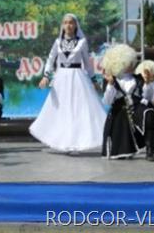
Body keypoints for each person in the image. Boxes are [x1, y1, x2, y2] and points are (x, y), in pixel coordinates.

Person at [29, 13, 106, 153]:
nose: (68, 25)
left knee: (76, 110)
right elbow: (51, 59)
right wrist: (46, 76)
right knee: (60, 109)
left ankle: (74, 142)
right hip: (61, 79)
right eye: (65, 22)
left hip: (77, 78)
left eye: (71, 22)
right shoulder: (58, 42)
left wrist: (94, 80)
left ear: (76, 25)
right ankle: (60, 141)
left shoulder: (82, 42)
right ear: (62, 26)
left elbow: (87, 63)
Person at [101, 44, 154, 161]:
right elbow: (107, 101)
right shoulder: (111, 79)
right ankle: (124, 149)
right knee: (122, 154)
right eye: (129, 62)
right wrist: (111, 85)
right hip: (119, 112)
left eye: (133, 61)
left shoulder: (138, 78)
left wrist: (147, 84)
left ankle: (150, 150)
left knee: (149, 114)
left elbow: (146, 97)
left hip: (137, 107)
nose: (133, 64)